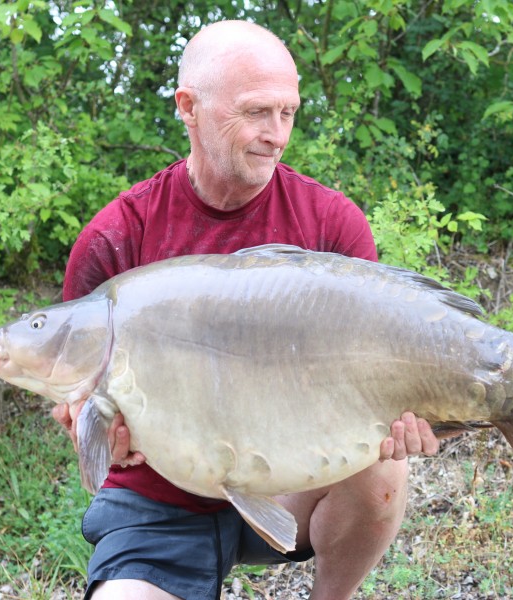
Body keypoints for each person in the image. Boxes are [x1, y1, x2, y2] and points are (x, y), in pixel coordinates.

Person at [52, 20, 442, 600]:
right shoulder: (117, 238)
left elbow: (375, 371)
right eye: (258, 112)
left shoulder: (332, 225)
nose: (277, 135)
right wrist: (95, 429)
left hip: (294, 478)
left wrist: (418, 412)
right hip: (159, 500)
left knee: (384, 467)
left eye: (288, 113)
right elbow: (78, 402)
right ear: (189, 106)